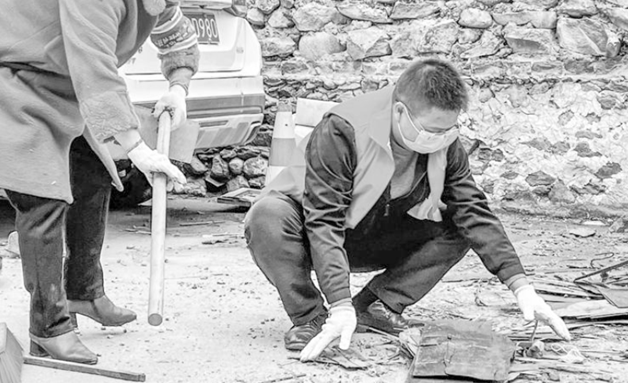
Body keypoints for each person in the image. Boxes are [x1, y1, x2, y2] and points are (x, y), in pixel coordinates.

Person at [0, 0, 226, 364]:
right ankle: (49, 329)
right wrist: (138, 148)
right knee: (42, 199)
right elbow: (96, 69)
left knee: (93, 175)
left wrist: (178, 86)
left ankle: (83, 292)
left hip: (55, 89)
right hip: (11, 85)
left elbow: (176, 38)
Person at [244, 59, 571, 360]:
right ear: (399, 111)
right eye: (432, 130)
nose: (440, 139)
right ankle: (311, 317)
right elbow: (324, 220)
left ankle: (377, 306)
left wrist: (522, 287)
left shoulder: (445, 142)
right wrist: (340, 306)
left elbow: (473, 210)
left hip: (375, 231)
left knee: (461, 223)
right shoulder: (343, 130)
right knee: (267, 216)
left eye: (448, 130)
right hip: (314, 235)